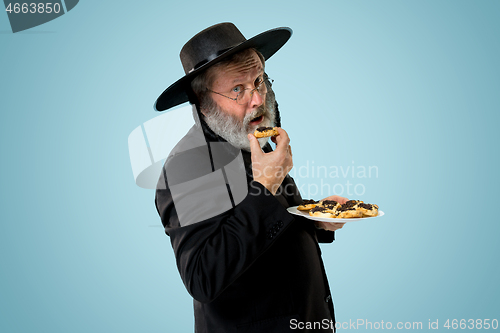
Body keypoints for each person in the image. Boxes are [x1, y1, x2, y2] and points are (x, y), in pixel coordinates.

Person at [154, 22, 347, 333]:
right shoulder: (186, 167)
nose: (257, 98)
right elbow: (203, 277)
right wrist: (266, 187)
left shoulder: (248, 137)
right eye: (237, 89)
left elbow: (267, 221)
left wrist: (315, 216)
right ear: (204, 104)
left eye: (259, 80)